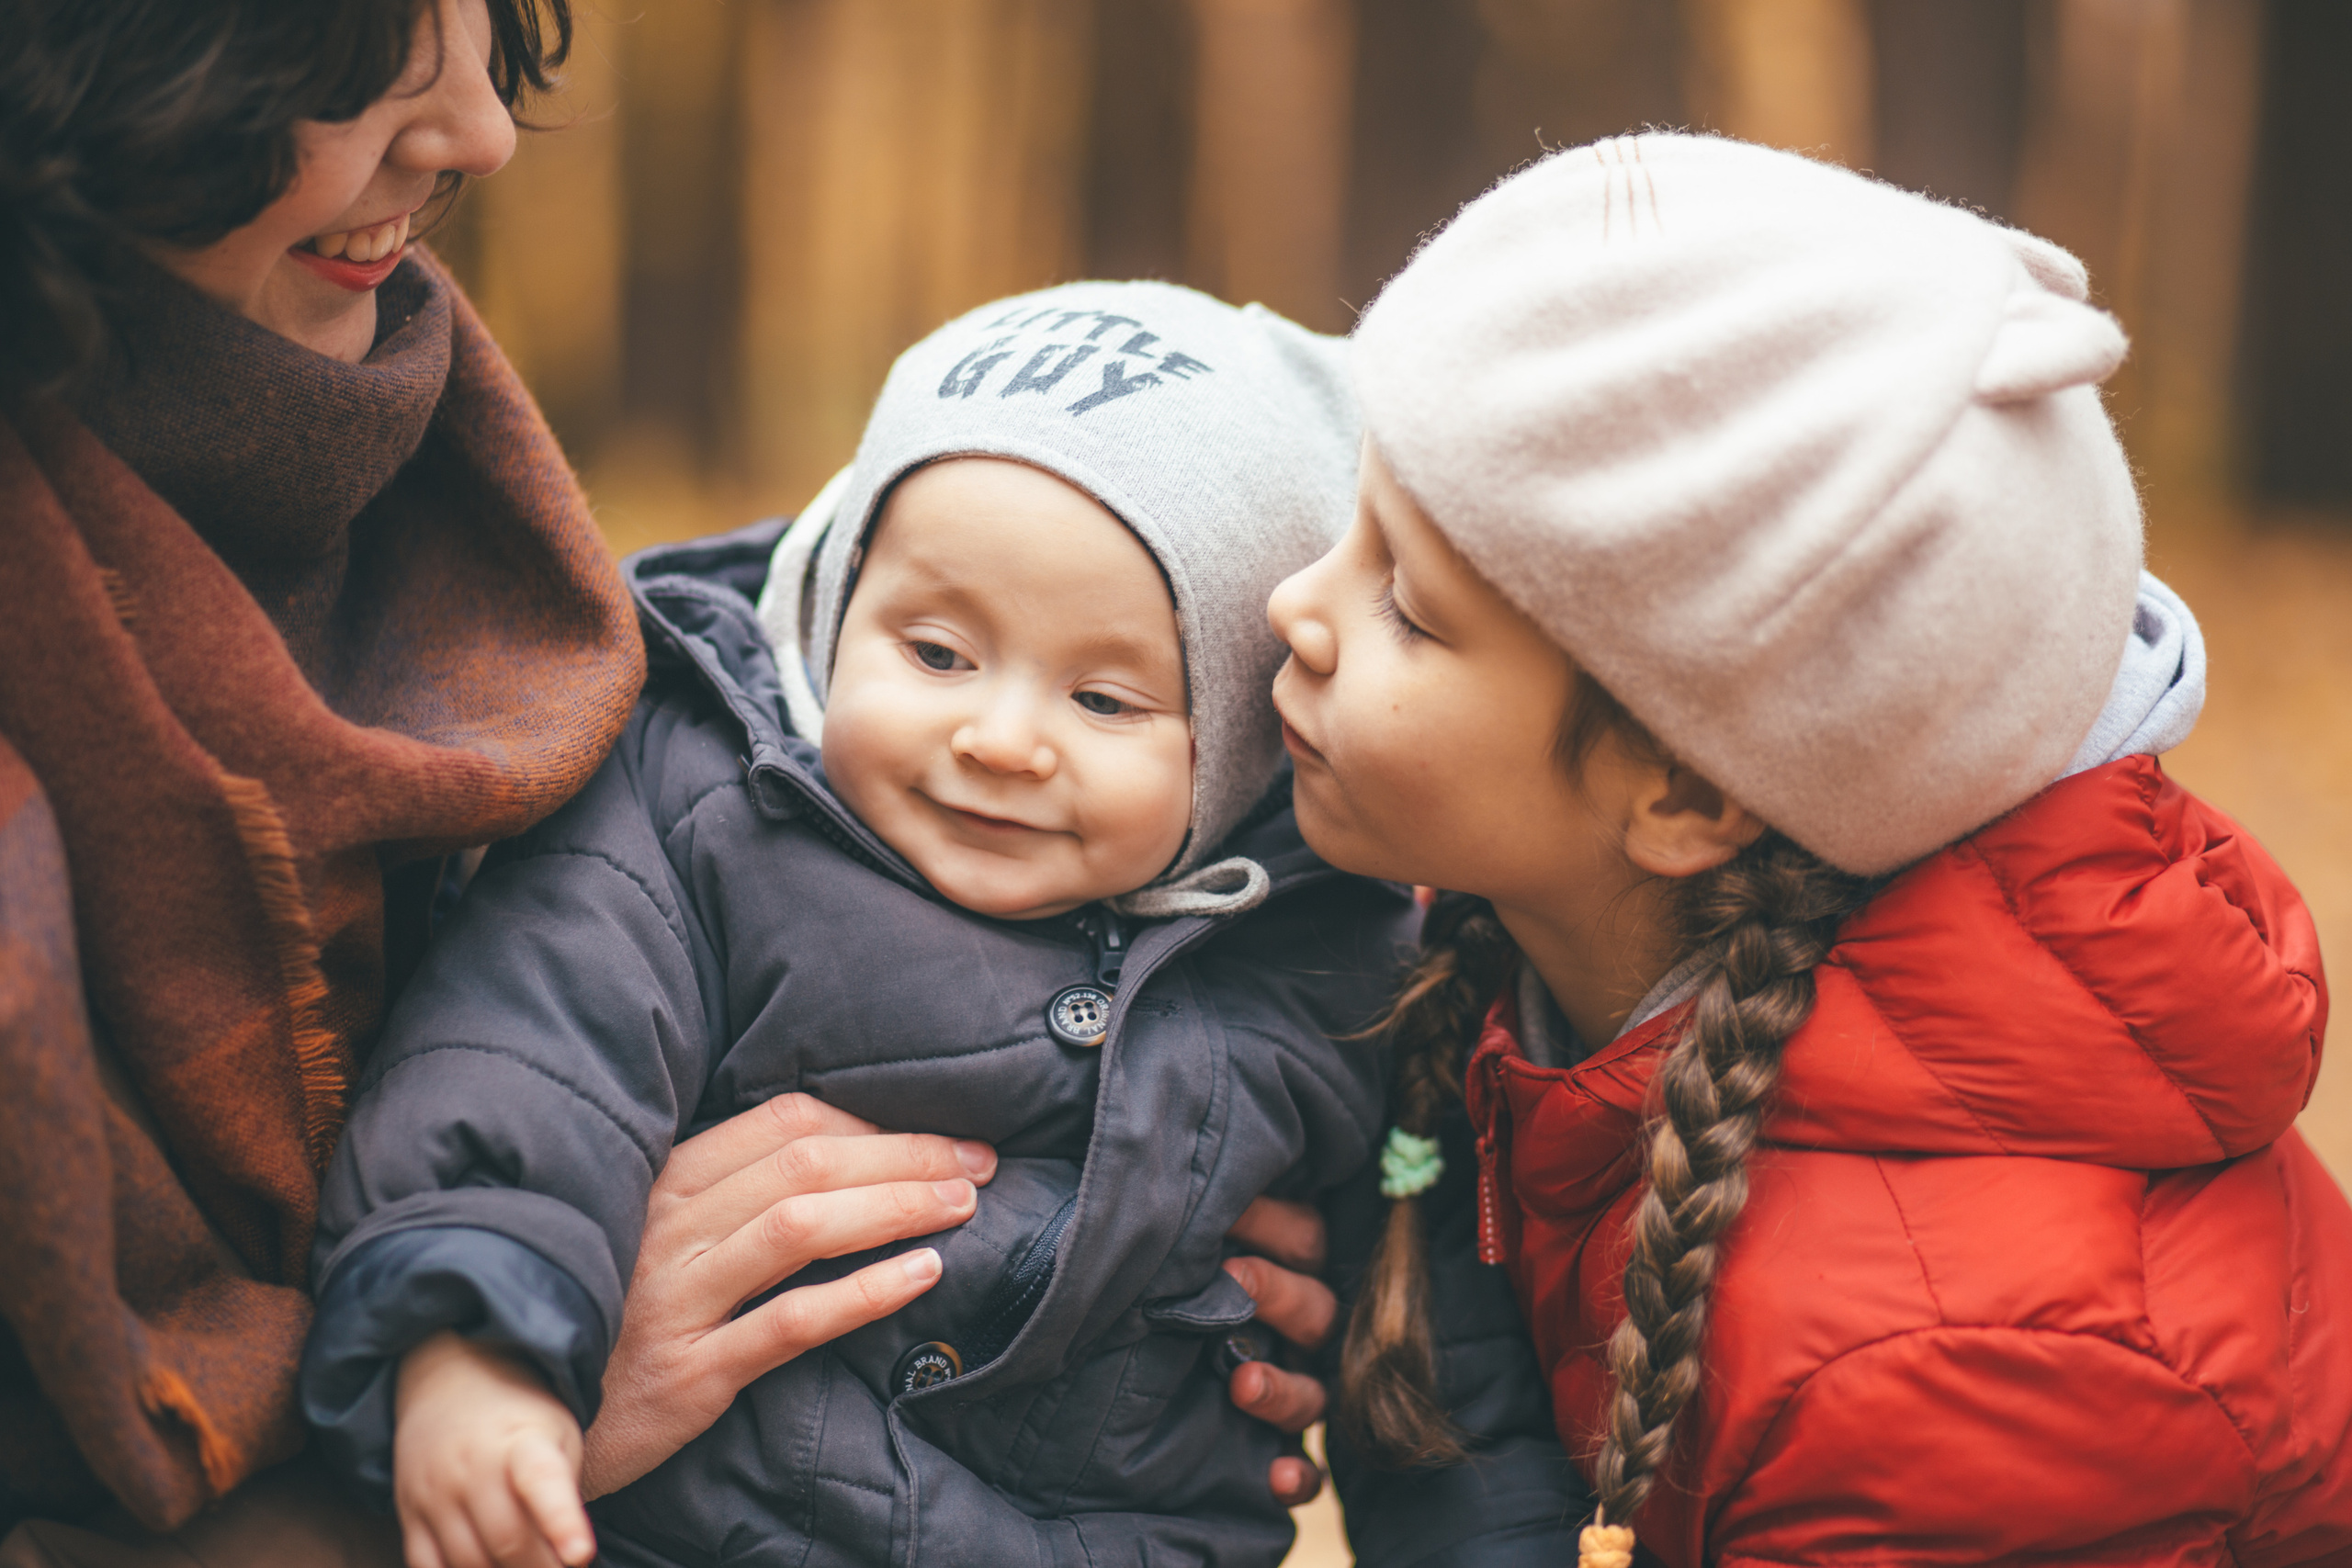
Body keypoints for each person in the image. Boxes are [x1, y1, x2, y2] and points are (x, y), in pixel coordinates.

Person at [0, 3, 1090, 1560]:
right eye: (352, 57)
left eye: (482, 28)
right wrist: (491, 1379)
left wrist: (1139, 1173)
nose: (484, 132)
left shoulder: (456, 509)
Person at [1278, 134, 2352, 1566]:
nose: (1294, 606)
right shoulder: (1544, 949)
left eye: (1407, 607)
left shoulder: (1948, 1374)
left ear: (1682, 791)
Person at [301, 280, 1470, 1568]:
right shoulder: (700, 822)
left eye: (1103, 698)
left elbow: (1445, 1343)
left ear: (1241, 741)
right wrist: (477, 1351)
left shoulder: (1324, 942)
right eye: (937, 654)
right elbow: (526, 1067)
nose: (1000, 739)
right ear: (833, 605)